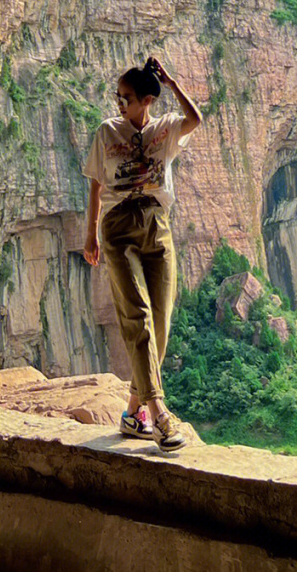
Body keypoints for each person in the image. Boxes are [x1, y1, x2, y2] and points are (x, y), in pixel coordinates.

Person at [82, 54, 202, 451]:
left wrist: (169, 80)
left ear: (146, 100)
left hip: (156, 225)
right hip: (117, 226)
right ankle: (159, 414)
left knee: (162, 323)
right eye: (118, 97)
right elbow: (97, 185)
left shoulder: (165, 129)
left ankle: (134, 411)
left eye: (127, 97)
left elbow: (196, 119)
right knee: (138, 316)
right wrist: (91, 235)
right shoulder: (107, 132)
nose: (119, 104)